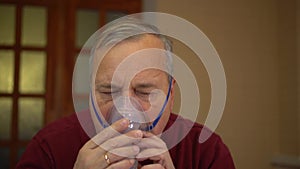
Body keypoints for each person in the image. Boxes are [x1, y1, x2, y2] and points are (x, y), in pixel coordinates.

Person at [16, 17, 235, 169]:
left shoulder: (205, 151)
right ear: (92, 93)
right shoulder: (50, 148)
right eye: (108, 92)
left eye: (143, 91)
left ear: (170, 95)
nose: (125, 109)